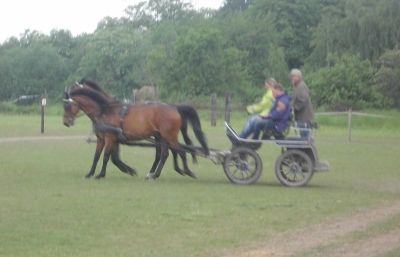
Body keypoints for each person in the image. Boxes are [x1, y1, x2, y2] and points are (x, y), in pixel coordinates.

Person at [290, 69, 314, 138]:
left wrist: (294, 107)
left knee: (305, 139)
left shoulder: (301, 86)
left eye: (293, 76)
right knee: (303, 137)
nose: (292, 78)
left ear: (298, 77)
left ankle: (305, 149)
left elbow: (303, 99)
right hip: (301, 117)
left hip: (304, 117)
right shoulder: (297, 86)